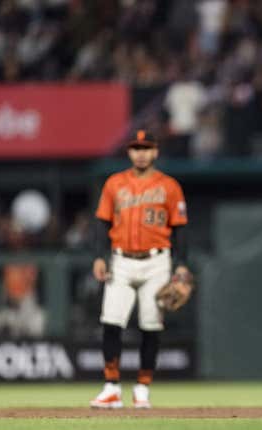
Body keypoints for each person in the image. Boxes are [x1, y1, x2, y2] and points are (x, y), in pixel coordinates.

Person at [90, 130, 192, 409]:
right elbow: (102, 222)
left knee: (150, 325)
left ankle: (142, 388)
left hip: (157, 262)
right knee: (111, 321)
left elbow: (180, 228)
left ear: (156, 151)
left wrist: (181, 265)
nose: (141, 152)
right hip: (120, 260)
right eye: (136, 147)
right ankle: (111, 387)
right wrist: (99, 257)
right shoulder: (114, 183)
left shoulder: (170, 186)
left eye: (146, 147)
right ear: (129, 152)